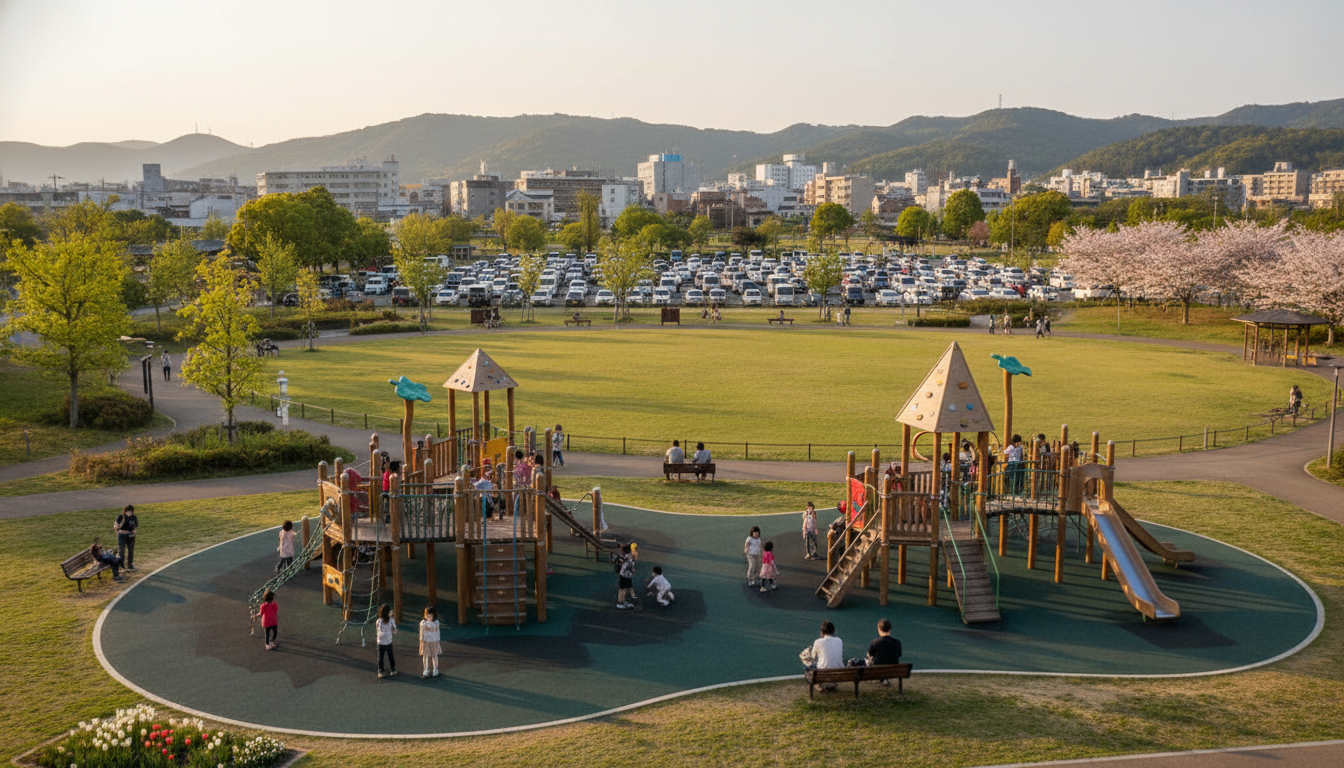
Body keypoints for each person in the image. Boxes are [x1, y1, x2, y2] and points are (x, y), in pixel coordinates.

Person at [800, 621, 844, 690]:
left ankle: (818, 685)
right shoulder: (839, 641)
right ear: (833, 631)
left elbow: (813, 657)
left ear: (822, 632)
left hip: (822, 672)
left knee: (807, 665)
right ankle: (832, 684)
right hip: (838, 671)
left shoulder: (818, 642)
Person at [375, 603, 397, 678]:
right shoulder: (391, 620)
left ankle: (380, 671)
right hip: (388, 641)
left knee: (380, 657)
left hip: (380, 642)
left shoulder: (379, 621)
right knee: (390, 656)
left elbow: (377, 628)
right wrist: (393, 632)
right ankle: (393, 669)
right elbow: (394, 630)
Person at [419, 606, 441, 678]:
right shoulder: (422, 623)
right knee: (426, 655)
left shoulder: (436, 623)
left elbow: (437, 632)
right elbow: (421, 634)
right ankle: (426, 669)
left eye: (430, 615)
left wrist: (437, 641)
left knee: (434, 655)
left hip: (434, 641)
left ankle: (435, 669)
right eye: (426, 615)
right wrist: (421, 644)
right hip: (426, 642)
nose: (428, 616)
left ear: (433, 615)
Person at [114, 504, 138, 571]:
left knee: (131, 551)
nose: (130, 513)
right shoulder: (120, 517)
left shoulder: (134, 517)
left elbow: (135, 526)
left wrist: (134, 532)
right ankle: (121, 565)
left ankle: (130, 565)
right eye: (128, 512)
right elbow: (117, 527)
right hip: (122, 535)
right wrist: (123, 520)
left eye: (131, 512)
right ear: (125, 511)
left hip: (130, 536)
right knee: (121, 551)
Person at [616, 544, 636, 609]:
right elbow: (630, 565)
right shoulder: (629, 556)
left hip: (626, 575)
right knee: (622, 589)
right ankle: (620, 602)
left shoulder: (628, 556)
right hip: (625, 575)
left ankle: (623, 601)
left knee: (623, 588)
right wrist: (632, 569)